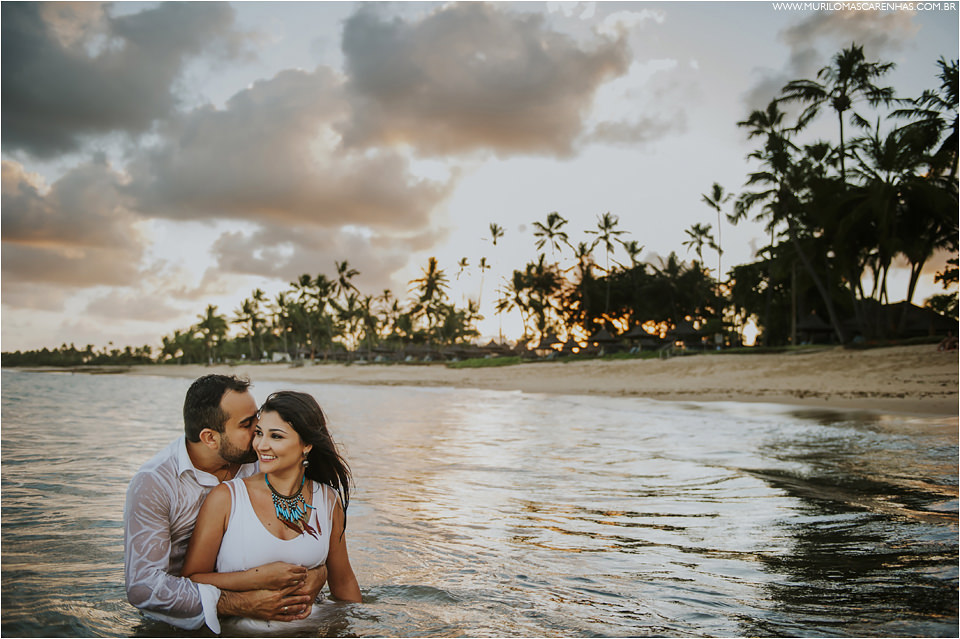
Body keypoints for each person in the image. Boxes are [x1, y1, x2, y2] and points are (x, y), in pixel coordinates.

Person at [124, 375, 325, 633]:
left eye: (257, 417)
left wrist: (319, 573)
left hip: (272, 605)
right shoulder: (155, 484)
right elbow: (143, 587)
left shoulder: (261, 458)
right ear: (210, 438)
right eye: (246, 424)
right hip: (182, 624)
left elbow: (316, 526)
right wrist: (240, 604)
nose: (259, 429)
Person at [182, 390, 361, 633]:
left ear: (306, 445)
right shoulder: (227, 498)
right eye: (258, 433)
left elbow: (344, 583)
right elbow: (191, 580)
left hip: (311, 630)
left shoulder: (328, 501)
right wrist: (256, 578)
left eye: (276, 436)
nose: (261, 445)